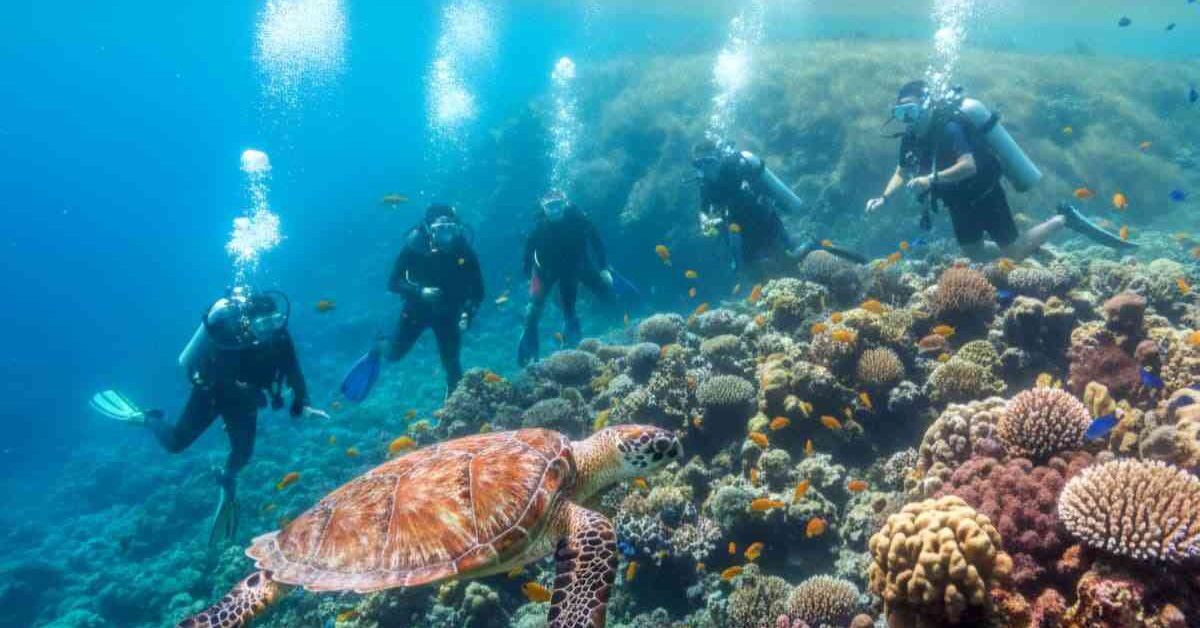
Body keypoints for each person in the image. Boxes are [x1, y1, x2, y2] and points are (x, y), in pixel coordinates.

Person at [91, 287, 313, 547]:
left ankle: (226, 478)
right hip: (212, 394)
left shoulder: (280, 338)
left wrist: (302, 401)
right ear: (248, 323)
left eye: (275, 321)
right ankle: (146, 418)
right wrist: (245, 393)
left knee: (242, 455)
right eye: (263, 323)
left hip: (244, 402)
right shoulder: (229, 337)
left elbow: (294, 369)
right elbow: (214, 378)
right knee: (175, 444)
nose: (270, 329)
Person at [865, 80, 1130, 261]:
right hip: (957, 201)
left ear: (924, 106)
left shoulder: (949, 128)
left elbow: (969, 166)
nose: (907, 120)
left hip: (983, 193)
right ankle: (1029, 244)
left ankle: (1064, 219)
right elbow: (901, 170)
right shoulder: (910, 138)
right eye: (901, 113)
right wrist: (884, 197)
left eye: (910, 111)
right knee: (974, 253)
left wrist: (931, 179)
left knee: (1012, 253)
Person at [358, 204, 483, 399]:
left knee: (452, 363)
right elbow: (393, 282)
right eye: (440, 230)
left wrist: (468, 313)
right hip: (417, 310)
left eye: (450, 229)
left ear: (457, 228)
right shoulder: (415, 246)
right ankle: (378, 346)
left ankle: (457, 408)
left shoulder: (463, 248)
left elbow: (478, 289)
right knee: (394, 355)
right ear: (429, 229)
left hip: (448, 312)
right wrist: (420, 291)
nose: (446, 236)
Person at [692, 140, 867, 274]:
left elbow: (759, 192)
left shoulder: (736, 167)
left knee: (793, 257)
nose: (705, 168)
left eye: (708, 161)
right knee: (752, 270)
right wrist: (705, 221)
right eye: (699, 164)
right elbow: (703, 210)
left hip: (764, 221)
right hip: (740, 233)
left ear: (718, 158)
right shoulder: (705, 185)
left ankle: (823, 249)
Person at [518, 190, 635, 366]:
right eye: (550, 207)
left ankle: (622, 327)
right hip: (545, 270)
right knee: (534, 308)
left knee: (600, 293)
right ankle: (529, 340)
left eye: (558, 205)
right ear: (543, 208)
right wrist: (529, 277)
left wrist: (603, 267)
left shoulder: (579, 219)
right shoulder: (538, 226)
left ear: (565, 204)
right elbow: (527, 254)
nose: (555, 210)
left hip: (577, 265)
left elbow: (597, 241)